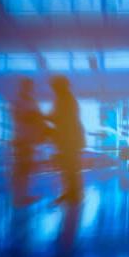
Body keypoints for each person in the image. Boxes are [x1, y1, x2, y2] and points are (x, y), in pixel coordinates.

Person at [9, 77, 47, 206]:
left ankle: (21, 196)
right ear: (25, 87)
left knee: (24, 169)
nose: (32, 89)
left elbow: (31, 117)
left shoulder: (25, 101)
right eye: (30, 86)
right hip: (23, 139)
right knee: (22, 169)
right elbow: (25, 117)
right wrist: (37, 117)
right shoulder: (22, 101)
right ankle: (19, 198)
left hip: (26, 139)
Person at [48, 75, 85, 204]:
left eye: (55, 86)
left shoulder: (65, 99)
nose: (54, 89)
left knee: (70, 167)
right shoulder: (65, 98)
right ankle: (72, 193)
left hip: (69, 139)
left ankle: (74, 194)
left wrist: (41, 117)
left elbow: (60, 119)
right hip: (69, 138)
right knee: (69, 167)